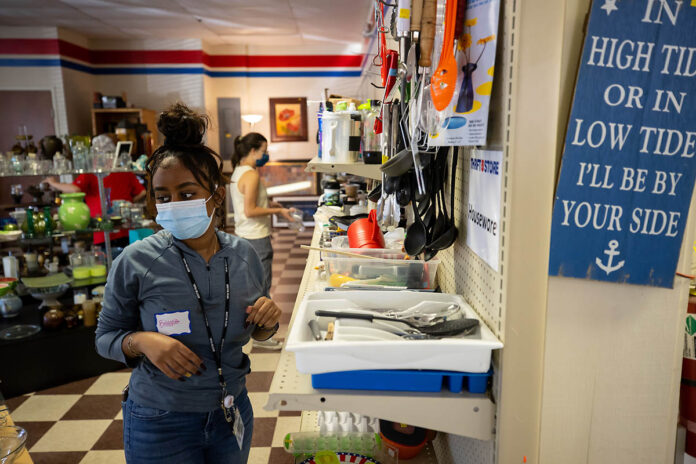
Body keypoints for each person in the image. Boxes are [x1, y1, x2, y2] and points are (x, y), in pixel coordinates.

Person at [95, 103, 282, 464]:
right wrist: (142, 341)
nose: (174, 205)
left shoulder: (244, 255)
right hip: (160, 419)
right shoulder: (136, 261)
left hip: (231, 411)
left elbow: (258, 331)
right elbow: (105, 338)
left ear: (216, 193)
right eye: (163, 197)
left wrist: (268, 321)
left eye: (186, 193)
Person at [230, 133, 297, 350]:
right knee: (261, 288)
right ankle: (264, 335)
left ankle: (256, 331)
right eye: (264, 151)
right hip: (256, 236)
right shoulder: (250, 175)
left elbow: (253, 202)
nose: (266, 155)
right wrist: (277, 210)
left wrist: (275, 205)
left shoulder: (238, 172)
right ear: (252, 151)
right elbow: (250, 210)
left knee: (252, 287)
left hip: (244, 235)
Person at [45, 171, 146, 247]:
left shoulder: (92, 172)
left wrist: (52, 183)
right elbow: (143, 192)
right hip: (126, 227)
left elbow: (74, 189)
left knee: (110, 269)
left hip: (103, 230)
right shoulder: (124, 170)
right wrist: (127, 204)